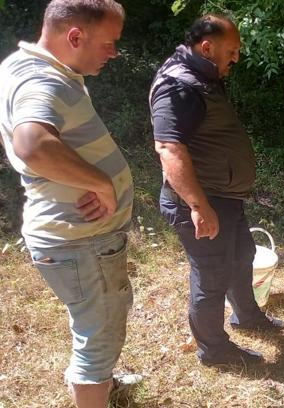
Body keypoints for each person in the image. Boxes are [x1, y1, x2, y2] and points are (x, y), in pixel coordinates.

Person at [0, 1, 141, 406]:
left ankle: (97, 382)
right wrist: (101, 183)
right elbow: (29, 143)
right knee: (99, 335)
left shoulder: (19, 65)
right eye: (109, 43)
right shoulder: (45, 82)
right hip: (80, 241)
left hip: (72, 239)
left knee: (94, 320)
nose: (114, 53)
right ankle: (93, 384)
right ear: (75, 36)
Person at [149, 14, 284, 367]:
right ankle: (214, 350)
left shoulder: (202, 75)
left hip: (224, 196)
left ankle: (247, 316)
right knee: (211, 277)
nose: (236, 57)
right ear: (207, 47)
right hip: (203, 201)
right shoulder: (179, 85)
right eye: (232, 50)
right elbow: (168, 148)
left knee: (242, 255)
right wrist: (197, 205)